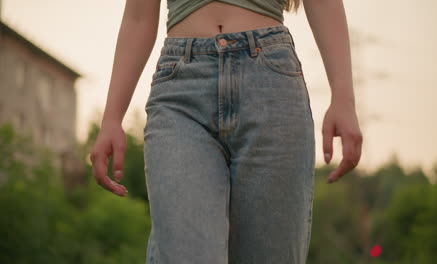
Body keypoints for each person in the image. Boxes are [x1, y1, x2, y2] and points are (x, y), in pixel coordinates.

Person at [90, 0, 363, 263]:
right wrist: (112, 118)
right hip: (180, 92)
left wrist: (343, 99)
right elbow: (138, 17)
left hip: (271, 85)